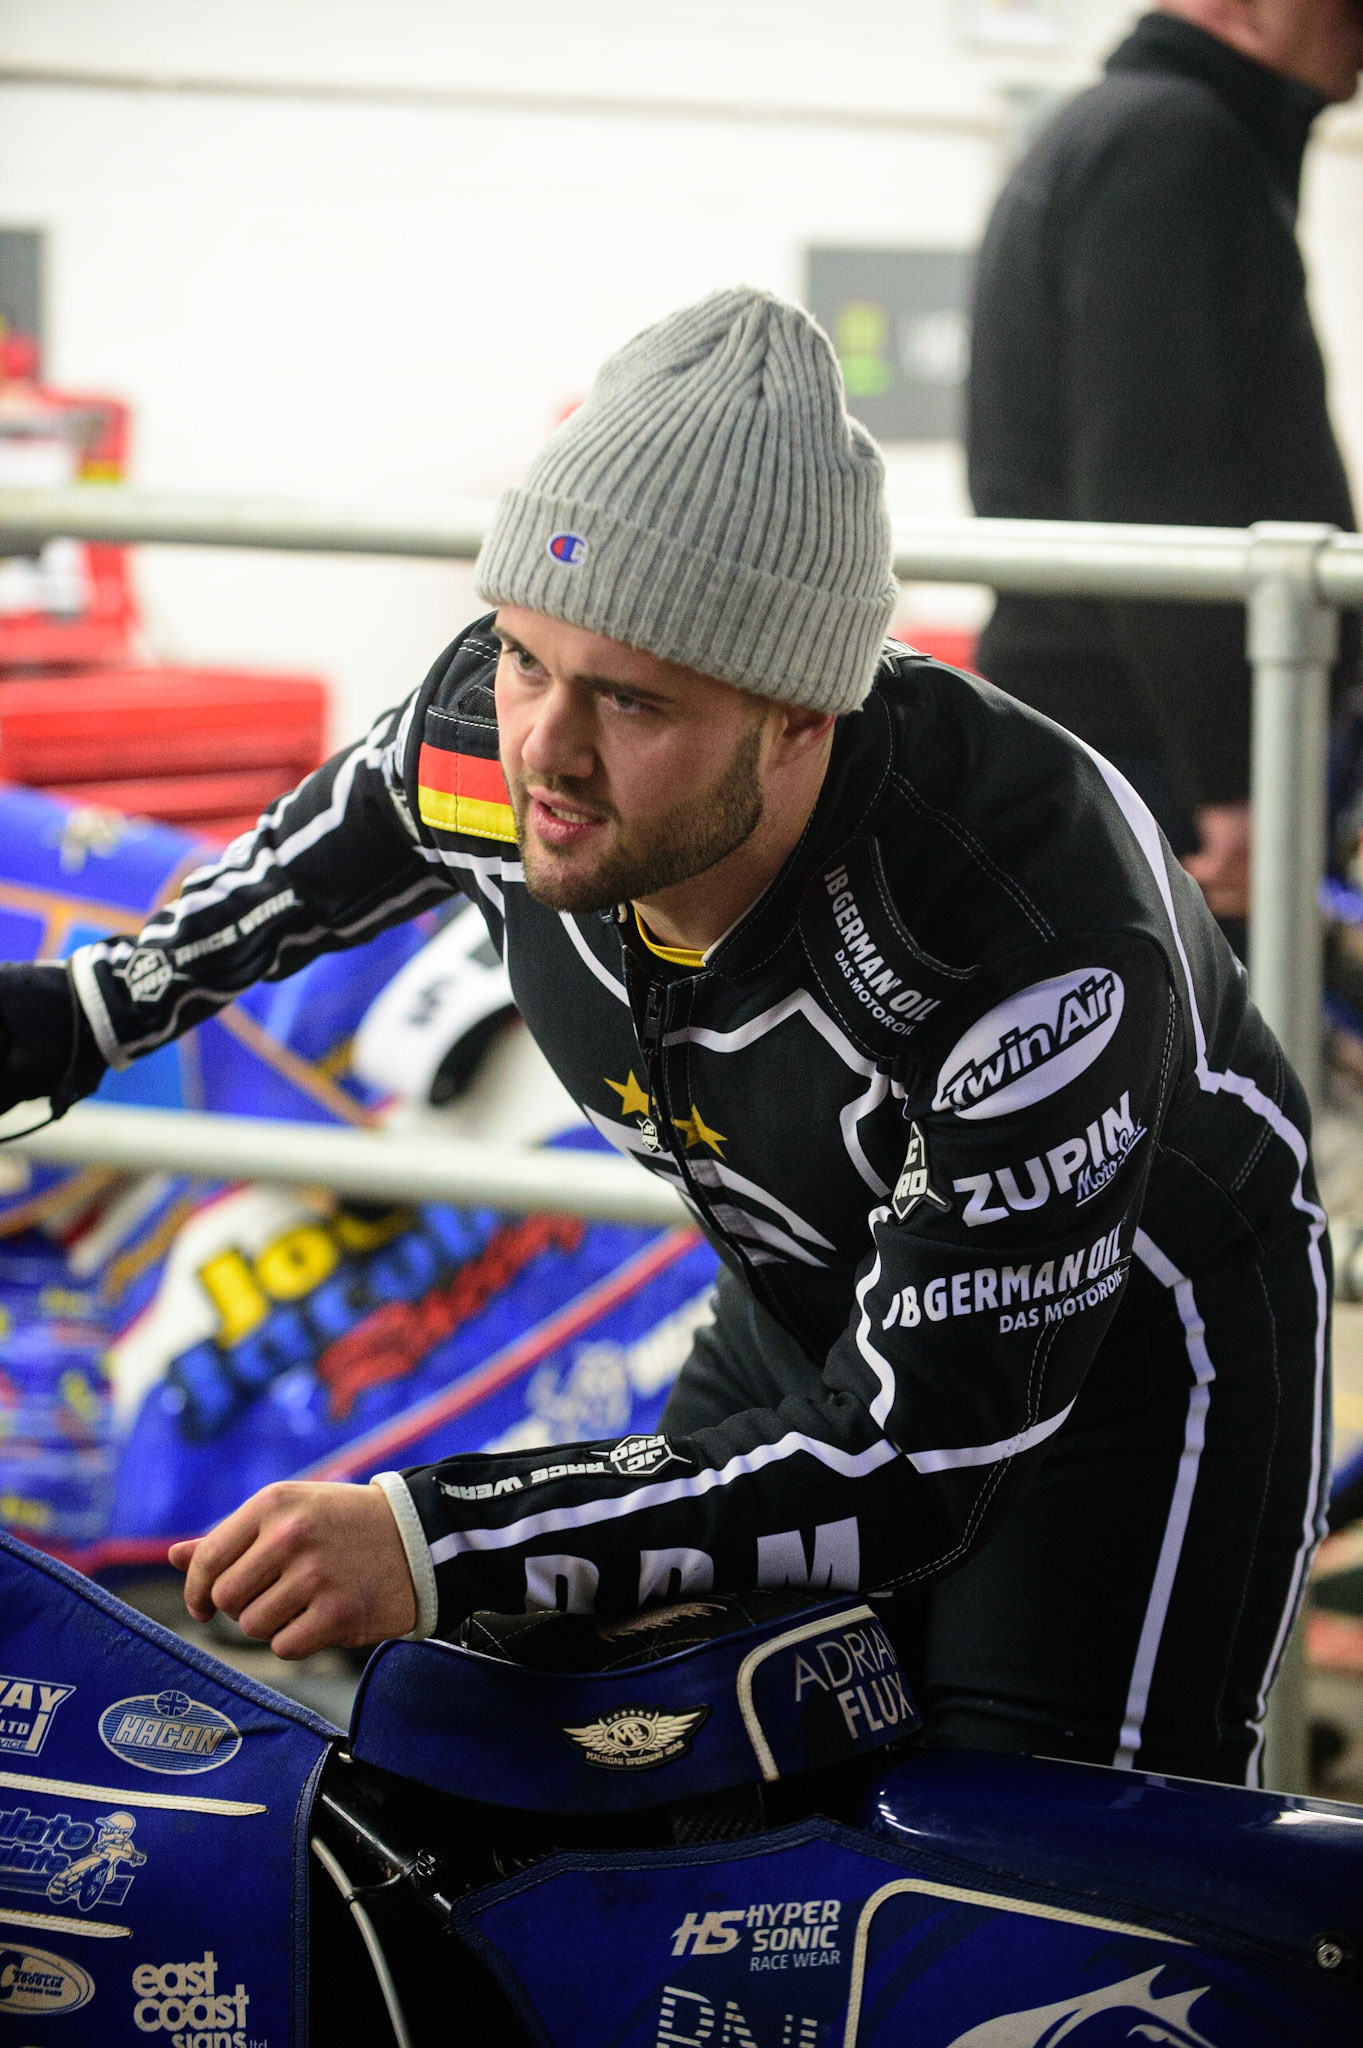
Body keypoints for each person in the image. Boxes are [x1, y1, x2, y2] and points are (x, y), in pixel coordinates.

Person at [0, 288, 1329, 1784]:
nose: (543, 756)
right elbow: (309, 861)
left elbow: (911, 1463)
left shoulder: (1020, 932)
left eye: (632, 700)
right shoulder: (484, 737)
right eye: (520, 657)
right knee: (560, 1754)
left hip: (1124, 1375)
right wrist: (76, 1016)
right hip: (807, 1297)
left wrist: (436, 1537)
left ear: (801, 717)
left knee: (1026, 1869)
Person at [966, 0, 1363, 929]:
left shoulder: (1137, 129)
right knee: (1192, 1064)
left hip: (1125, 733)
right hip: (1154, 754)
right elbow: (1151, 480)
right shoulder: (1171, 141)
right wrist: (1232, 779)